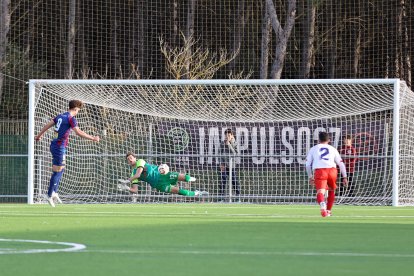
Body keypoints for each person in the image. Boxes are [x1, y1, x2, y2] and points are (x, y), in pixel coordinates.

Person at [35, 100, 100, 207]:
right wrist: (93, 138)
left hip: (55, 145)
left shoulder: (60, 116)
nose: (78, 112)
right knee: (57, 171)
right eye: (78, 110)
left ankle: (54, 191)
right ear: (75, 109)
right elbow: (79, 132)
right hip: (59, 147)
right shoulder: (71, 119)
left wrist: (39, 135)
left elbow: (47, 125)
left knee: (62, 168)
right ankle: (49, 194)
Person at [118, 152, 208, 197]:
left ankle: (191, 179)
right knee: (177, 191)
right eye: (128, 159)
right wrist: (127, 188)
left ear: (135, 158)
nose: (130, 160)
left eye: (131, 158)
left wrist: (127, 181)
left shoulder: (140, 162)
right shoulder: (132, 174)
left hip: (163, 175)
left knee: (184, 177)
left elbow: (138, 174)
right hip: (158, 185)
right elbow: (135, 190)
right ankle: (197, 193)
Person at [305, 132, 348, 217]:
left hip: (320, 171)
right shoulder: (333, 149)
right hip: (332, 171)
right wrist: (345, 177)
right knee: (332, 191)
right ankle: (328, 211)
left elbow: (307, 164)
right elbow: (341, 164)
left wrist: (310, 176)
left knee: (320, 192)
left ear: (318, 140)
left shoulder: (313, 149)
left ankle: (322, 205)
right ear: (329, 140)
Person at [219, 128, 240, 198]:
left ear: (232, 135)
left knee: (234, 181)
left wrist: (228, 145)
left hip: (232, 166)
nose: (227, 137)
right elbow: (220, 154)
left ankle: (238, 197)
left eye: (228, 135)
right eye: (226, 135)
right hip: (224, 166)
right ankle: (221, 198)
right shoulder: (222, 143)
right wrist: (221, 163)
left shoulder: (235, 143)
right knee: (222, 181)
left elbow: (235, 153)